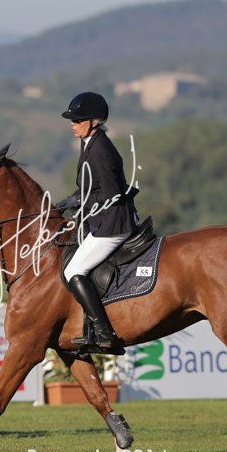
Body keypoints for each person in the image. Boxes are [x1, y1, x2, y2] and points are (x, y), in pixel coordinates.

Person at [57, 92, 138, 355]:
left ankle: (103, 333)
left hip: (112, 224)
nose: (73, 124)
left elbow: (111, 195)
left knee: (73, 271)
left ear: (95, 121)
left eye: (78, 120)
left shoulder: (101, 150)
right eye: (72, 120)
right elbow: (92, 187)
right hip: (100, 220)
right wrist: (68, 201)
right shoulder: (89, 142)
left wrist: (79, 203)